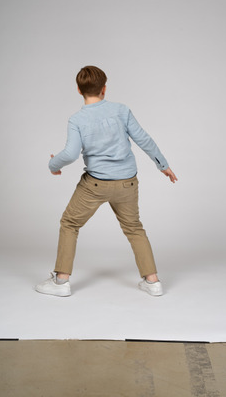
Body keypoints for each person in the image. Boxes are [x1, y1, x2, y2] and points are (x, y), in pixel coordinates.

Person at [35, 66, 177, 297]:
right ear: (104, 89)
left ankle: (61, 283)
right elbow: (144, 139)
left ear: (78, 90)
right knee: (134, 228)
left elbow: (70, 154)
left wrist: (54, 166)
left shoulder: (77, 119)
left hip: (95, 185)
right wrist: (163, 165)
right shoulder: (121, 110)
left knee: (70, 224)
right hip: (127, 183)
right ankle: (153, 282)